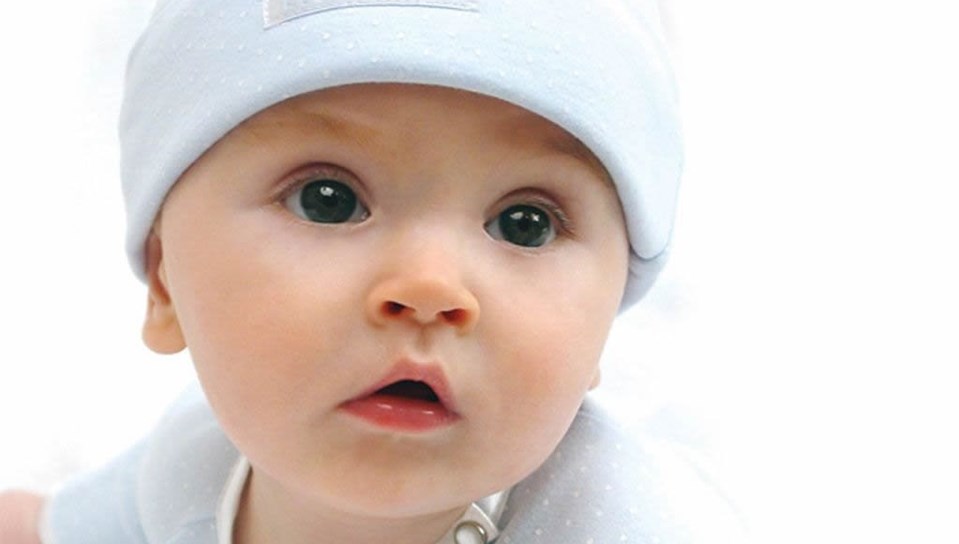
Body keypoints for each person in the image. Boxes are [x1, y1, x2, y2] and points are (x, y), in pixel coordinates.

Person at [1, 1, 744, 542]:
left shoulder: (626, 522)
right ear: (166, 281)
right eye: (328, 201)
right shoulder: (195, 468)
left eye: (527, 223)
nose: (430, 286)